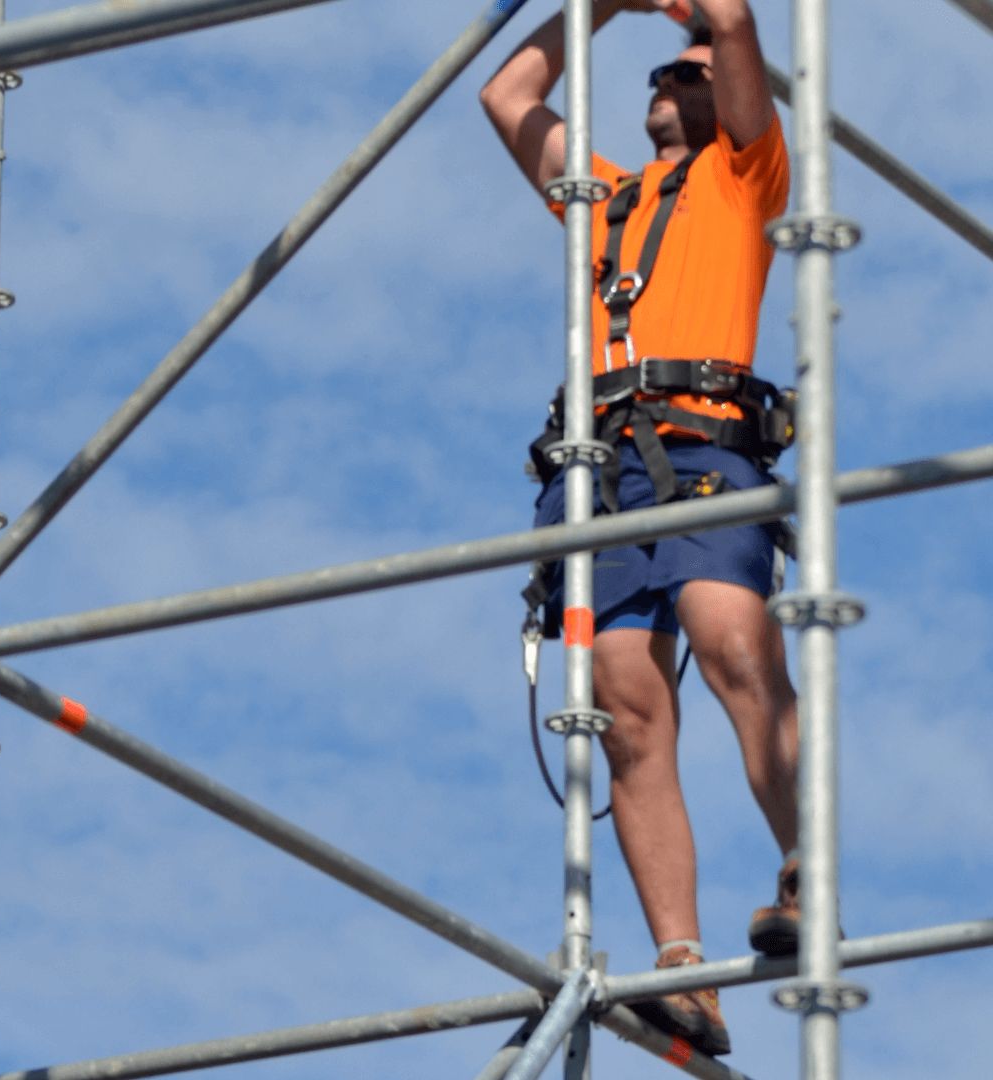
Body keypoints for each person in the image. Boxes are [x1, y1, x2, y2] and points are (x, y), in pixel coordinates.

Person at [480, 0, 802, 1056]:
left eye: (689, 71)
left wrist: (694, 15)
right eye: (660, 74)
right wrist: (600, 8)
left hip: (705, 444)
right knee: (625, 705)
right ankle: (685, 971)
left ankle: (806, 868)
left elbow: (739, 21)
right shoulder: (606, 198)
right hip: (602, 463)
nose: (671, 82)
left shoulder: (749, 169)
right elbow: (508, 96)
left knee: (730, 640)